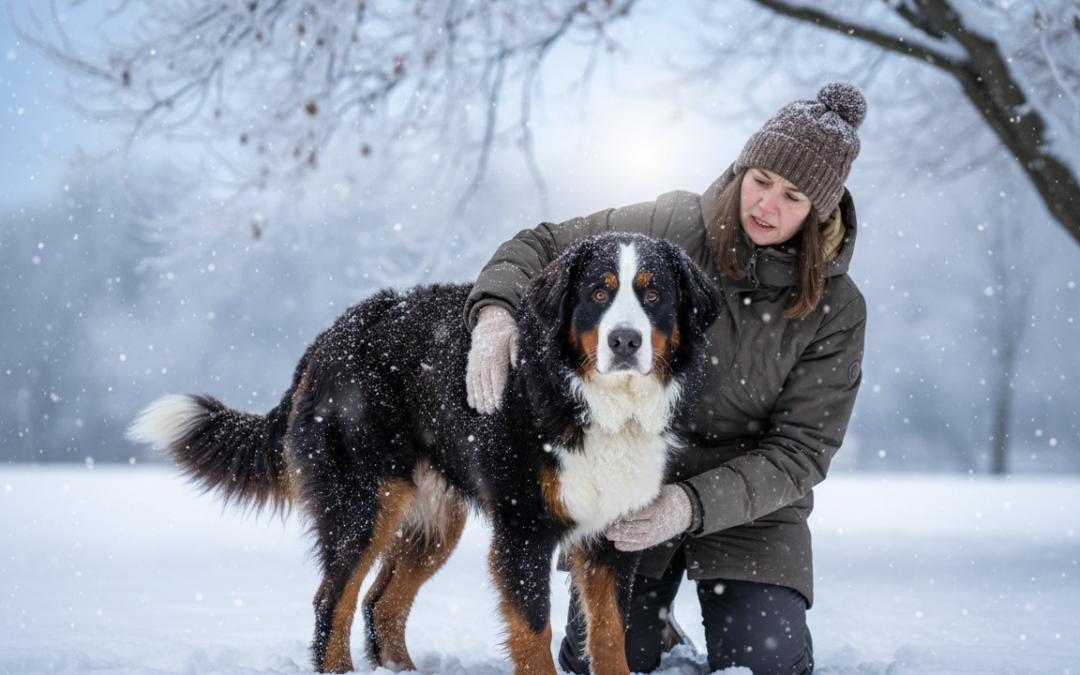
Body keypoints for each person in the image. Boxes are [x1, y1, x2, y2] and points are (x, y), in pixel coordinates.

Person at [462, 82, 868, 675]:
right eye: (760, 180)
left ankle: (729, 612)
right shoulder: (672, 223)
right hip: (628, 478)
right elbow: (544, 245)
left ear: (820, 211)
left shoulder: (837, 308)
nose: (766, 205)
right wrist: (495, 313)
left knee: (767, 665)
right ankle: (657, 618)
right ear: (742, 169)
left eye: (793, 196)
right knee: (600, 658)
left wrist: (692, 504)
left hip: (748, 507)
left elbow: (801, 451)